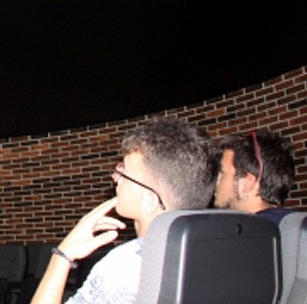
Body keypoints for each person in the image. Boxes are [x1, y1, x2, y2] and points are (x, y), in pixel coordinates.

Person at [31, 116, 219, 304]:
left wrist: (63, 255)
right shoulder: (220, 253)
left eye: (124, 173)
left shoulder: (125, 266)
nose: (115, 178)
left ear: (150, 200)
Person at [214, 129, 298, 223]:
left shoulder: (245, 231)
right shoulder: (295, 225)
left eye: (222, 172)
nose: (216, 180)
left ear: (247, 183)